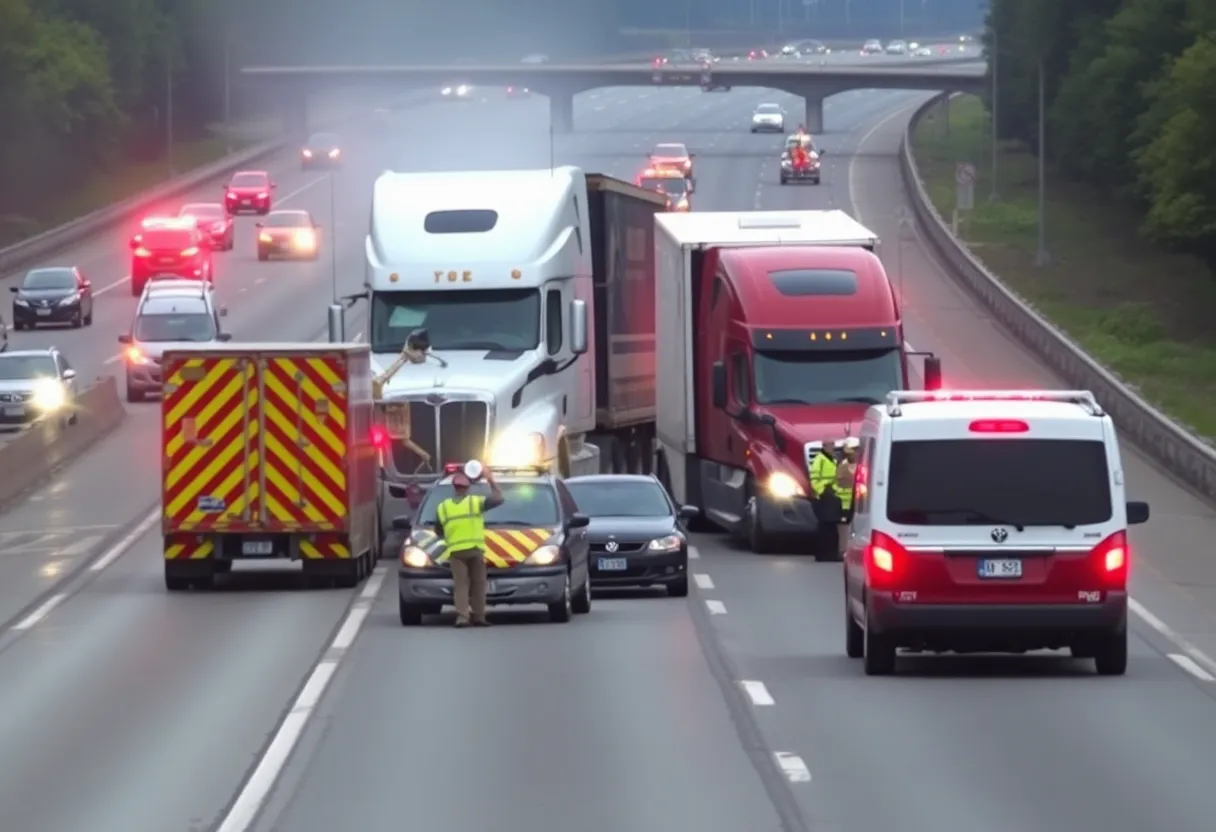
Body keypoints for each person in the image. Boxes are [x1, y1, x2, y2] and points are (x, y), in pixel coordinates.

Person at [436, 465, 505, 627]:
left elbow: (438, 530)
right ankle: (479, 616)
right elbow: (499, 499)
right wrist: (491, 480)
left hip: (455, 551)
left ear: (454, 487)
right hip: (475, 549)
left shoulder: (443, 507)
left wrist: (451, 536)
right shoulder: (475, 502)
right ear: (467, 488)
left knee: (461, 584)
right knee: (479, 584)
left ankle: (462, 617)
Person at [808, 439, 842, 556]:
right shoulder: (820, 460)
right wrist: (822, 491)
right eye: (831, 445)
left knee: (831, 525)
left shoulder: (832, 459)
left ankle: (830, 553)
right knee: (825, 525)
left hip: (832, 494)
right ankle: (823, 553)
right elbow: (814, 478)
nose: (833, 447)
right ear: (825, 446)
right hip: (824, 496)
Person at [834, 444, 858, 557]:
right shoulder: (843, 467)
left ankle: (848, 550)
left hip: (854, 503)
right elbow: (842, 483)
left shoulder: (856, 465)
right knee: (843, 529)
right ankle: (842, 551)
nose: (855, 454)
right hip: (844, 503)